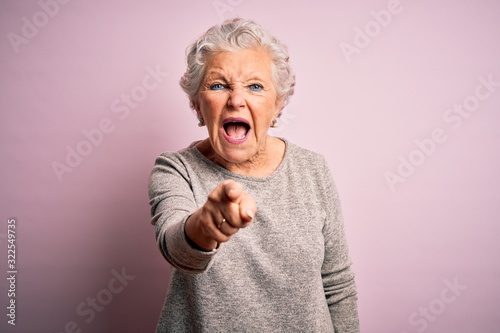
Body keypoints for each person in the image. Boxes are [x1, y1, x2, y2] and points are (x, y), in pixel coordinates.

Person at [148, 18, 359, 332]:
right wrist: (205, 225)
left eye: (255, 86)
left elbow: (337, 285)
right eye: (218, 85)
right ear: (197, 105)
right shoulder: (176, 169)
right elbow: (177, 249)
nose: (236, 99)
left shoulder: (313, 170)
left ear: (277, 106)